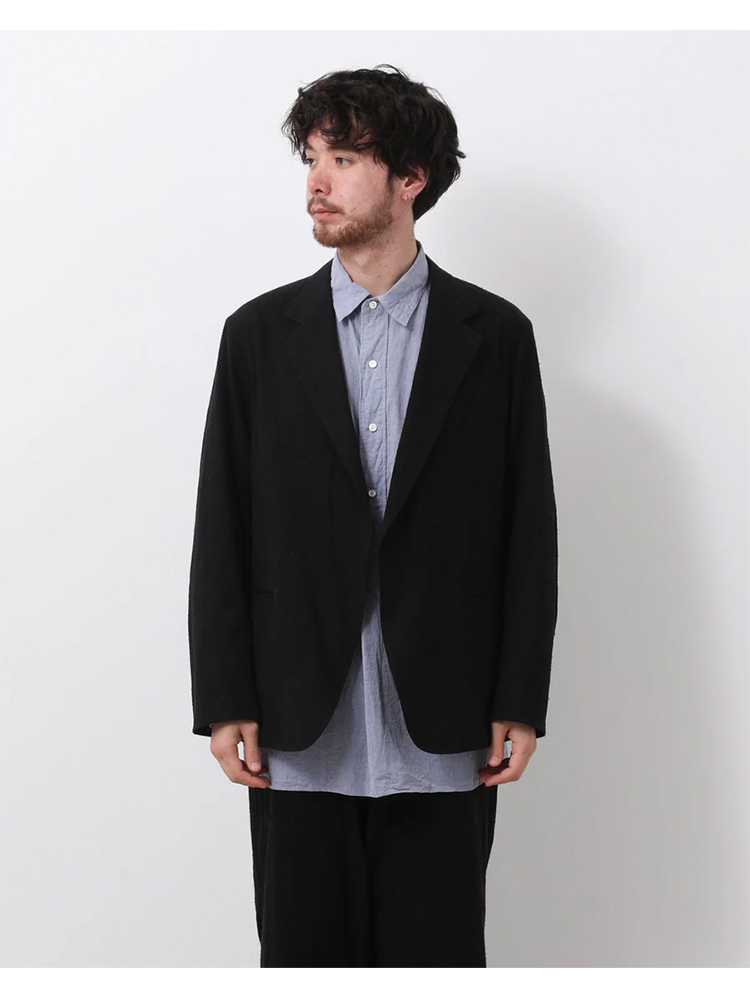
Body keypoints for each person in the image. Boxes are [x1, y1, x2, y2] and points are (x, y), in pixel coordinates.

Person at [188, 64, 558, 968]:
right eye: (311, 159)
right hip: (296, 721)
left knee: (436, 961)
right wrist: (224, 699)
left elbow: (528, 533)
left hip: (446, 716)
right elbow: (222, 527)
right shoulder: (258, 336)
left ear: (410, 179)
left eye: (344, 159)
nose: (316, 182)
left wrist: (519, 698)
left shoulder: (495, 336)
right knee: (304, 960)